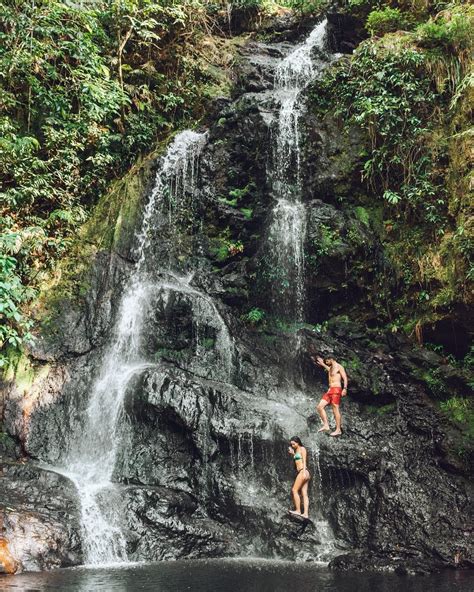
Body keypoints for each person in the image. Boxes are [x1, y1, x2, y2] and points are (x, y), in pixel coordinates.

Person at [313, 355, 348, 437]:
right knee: (319, 407)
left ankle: (338, 429)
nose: (327, 363)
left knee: (335, 408)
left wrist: (345, 388)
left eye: (327, 361)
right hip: (330, 390)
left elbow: (345, 378)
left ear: (331, 359)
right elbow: (329, 369)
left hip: (336, 389)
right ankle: (326, 425)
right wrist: (322, 364)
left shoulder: (339, 367)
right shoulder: (331, 368)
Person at [288, 436, 310, 518]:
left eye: (293, 444)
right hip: (304, 472)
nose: (292, 445)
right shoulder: (297, 450)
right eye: (291, 444)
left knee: (294, 490)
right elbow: (298, 459)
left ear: (298, 442)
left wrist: (303, 472)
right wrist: (293, 454)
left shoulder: (302, 449)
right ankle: (305, 514)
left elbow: (304, 461)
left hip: (303, 471)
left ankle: (298, 510)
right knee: (304, 493)